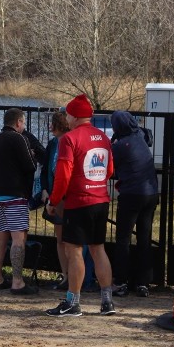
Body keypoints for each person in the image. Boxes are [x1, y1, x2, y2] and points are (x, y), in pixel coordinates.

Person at [44, 94, 116, 317]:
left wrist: (53, 201)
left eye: (67, 113)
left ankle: (73, 302)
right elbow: (110, 170)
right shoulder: (103, 137)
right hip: (100, 200)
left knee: (73, 250)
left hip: (78, 201)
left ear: (74, 116)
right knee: (98, 249)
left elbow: (63, 175)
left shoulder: (69, 139)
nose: (66, 117)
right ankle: (107, 302)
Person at [0, 108, 40, 294]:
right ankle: (18, 281)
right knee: (18, 238)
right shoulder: (19, 139)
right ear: (18, 122)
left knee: (0, 237)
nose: (23, 126)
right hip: (15, 196)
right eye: (23, 123)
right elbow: (30, 166)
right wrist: (33, 155)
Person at [110, 110, 159, 298]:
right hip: (151, 192)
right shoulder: (140, 135)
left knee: (123, 239)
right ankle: (143, 282)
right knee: (144, 239)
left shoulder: (121, 146)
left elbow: (108, 162)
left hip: (131, 194)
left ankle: (121, 281)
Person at [40, 111, 69, 290]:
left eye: (54, 123)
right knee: (60, 239)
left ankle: (75, 277)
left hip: (68, 196)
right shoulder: (52, 144)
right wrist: (45, 189)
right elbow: (45, 169)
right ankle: (65, 275)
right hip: (54, 196)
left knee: (71, 239)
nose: (51, 127)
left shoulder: (70, 140)